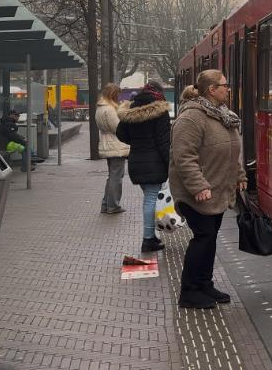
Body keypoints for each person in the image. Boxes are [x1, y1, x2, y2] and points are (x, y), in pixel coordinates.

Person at [169, 69, 246, 309]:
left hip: (218, 189)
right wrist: (198, 185)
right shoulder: (192, 117)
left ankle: (204, 284)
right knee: (203, 238)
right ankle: (190, 292)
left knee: (210, 238)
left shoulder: (223, 115)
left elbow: (233, 151)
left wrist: (240, 175)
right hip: (197, 193)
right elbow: (183, 156)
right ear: (212, 89)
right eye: (225, 85)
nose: (228, 88)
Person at [116, 81, 171, 253]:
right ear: (159, 93)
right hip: (154, 162)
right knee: (151, 199)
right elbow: (164, 142)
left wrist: (136, 142)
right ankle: (148, 240)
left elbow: (120, 133)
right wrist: (171, 164)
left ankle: (151, 236)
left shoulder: (130, 110)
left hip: (136, 161)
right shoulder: (160, 111)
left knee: (149, 198)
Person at [96, 83, 129, 214]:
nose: (119, 96)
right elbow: (118, 128)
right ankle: (113, 205)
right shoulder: (110, 109)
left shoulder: (100, 107)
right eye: (117, 94)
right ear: (113, 94)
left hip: (107, 144)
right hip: (116, 146)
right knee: (117, 177)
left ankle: (106, 204)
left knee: (111, 176)